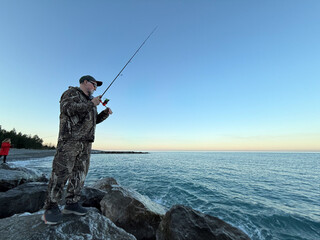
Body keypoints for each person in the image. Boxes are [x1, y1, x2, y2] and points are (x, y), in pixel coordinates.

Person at [42, 75, 113, 225]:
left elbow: (93, 122)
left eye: (97, 86)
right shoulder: (71, 93)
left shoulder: (89, 101)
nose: (95, 87)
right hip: (69, 140)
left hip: (86, 144)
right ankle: (51, 207)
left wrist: (104, 114)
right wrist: (91, 104)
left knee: (79, 174)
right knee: (61, 173)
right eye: (94, 84)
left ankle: (72, 203)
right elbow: (67, 109)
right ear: (85, 82)